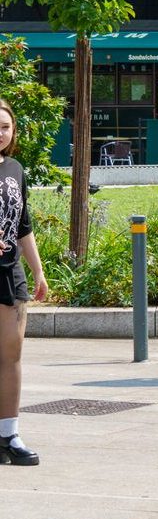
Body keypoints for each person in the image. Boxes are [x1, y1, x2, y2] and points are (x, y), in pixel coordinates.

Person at [0, 98, 48, 465]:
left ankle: (8, 435)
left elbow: (23, 225)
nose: (0, 133)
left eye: (5, 127)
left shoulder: (15, 169)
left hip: (8, 273)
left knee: (11, 355)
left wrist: (37, 271)